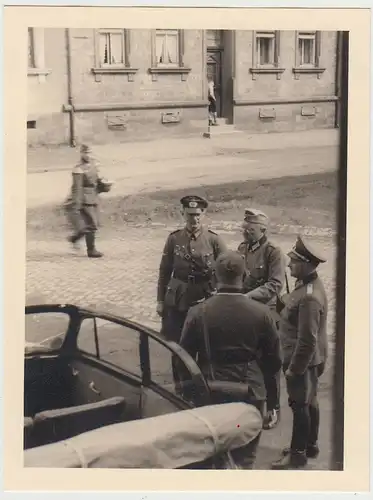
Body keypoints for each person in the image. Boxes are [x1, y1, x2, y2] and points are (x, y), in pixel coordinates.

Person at [179, 250, 282, 469]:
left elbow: (182, 359)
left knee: (208, 456)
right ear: (244, 276)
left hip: (209, 390)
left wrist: (186, 395)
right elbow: (274, 362)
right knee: (244, 458)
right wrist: (273, 402)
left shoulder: (198, 312)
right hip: (251, 392)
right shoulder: (262, 313)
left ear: (215, 278)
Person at [271, 235, 328, 470]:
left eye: (293, 261)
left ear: (305, 264)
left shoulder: (309, 297)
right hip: (312, 358)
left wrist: (295, 369)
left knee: (300, 404)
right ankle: (310, 444)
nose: (288, 265)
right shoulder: (306, 285)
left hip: (302, 359)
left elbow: (307, 339)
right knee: (310, 401)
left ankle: (297, 454)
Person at [237, 208, 286, 430]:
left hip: (267, 314)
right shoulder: (242, 248)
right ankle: (252, 404)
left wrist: (247, 296)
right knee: (248, 360)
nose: (246, 232)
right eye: (245, 228)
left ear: (263, 230)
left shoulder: (273, 252)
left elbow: (275, 285)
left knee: (270, 363)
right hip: (247, 313)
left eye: (251, 229)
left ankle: (273, 408)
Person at [156, 195, 227, 343]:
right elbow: (165, 271)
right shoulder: (174, 239)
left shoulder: (214, 240)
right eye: (190, 215)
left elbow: (225, 270)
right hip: (179, 297)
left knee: (204, 340)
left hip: (205, 295)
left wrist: (220, 296)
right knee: (177, 340)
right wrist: (161, 301)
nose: (194, 219)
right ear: (183, 214)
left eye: (197, 215)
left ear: (203, 214)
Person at [65, 144, 111, 258]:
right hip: (83, 199)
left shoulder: (95, 165)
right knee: (92, 223)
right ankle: (91, 250)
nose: (88, 155)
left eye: (89, 153)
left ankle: (74, 239)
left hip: (93, 197)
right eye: (85, 153)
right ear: (81, 154)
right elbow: (77, 187)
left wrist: (105, 186)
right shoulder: (78, 169)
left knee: (91, 224)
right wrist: (76, 203)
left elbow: (97, 181)